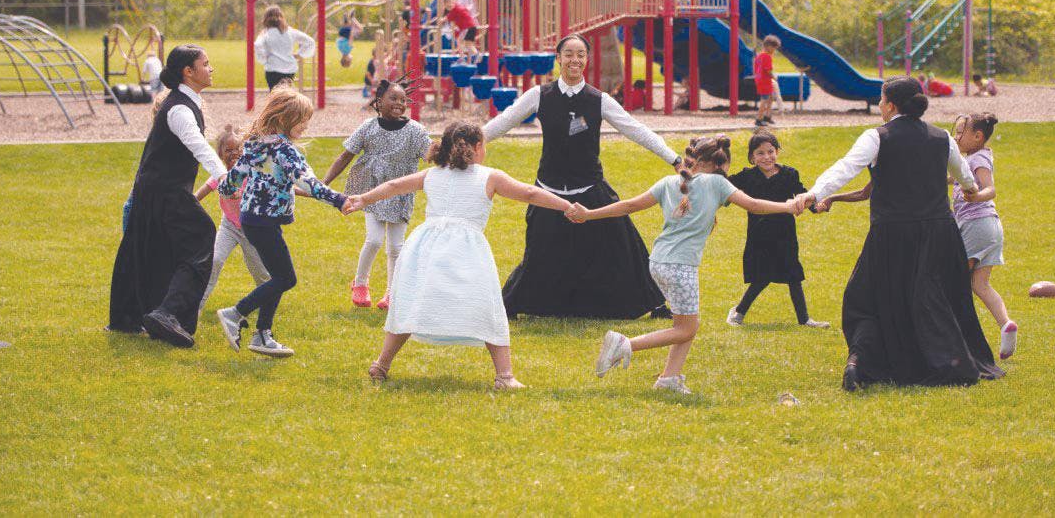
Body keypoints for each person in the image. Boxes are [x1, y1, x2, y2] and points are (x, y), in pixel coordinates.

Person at [793, 76, 1004, 390]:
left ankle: (862, 361)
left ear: (890, 105)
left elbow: (846, 167)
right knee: (934, 300)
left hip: (893, 235)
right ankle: (949, 362)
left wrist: (813, 193)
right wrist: (973, 190)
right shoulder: (942, 137)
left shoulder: (877, 136)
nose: (879, 106)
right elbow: (965, 177)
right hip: (939, 234)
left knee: (865, 299)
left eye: (881, 100)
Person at [344, 121, 576, 390]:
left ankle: (381, 365)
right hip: (465, 248)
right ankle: (504, 376)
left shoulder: (433, 174)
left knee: (410, 303)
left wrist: (364, 199)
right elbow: (529, 192)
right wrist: (566, 205)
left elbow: (394, 185)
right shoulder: (490, 177)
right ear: (478, 147)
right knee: (489, 307)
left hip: (424, 245)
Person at [571, 136, 802, 395]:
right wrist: (788, 206)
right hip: (680, 267)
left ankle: (669, 379)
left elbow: (629, 206)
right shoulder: (717, 182)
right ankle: (624, 344)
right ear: (720, 164)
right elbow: (755, 206)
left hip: (658, 262)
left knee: (684, 324)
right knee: (687, 327)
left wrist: (589, 214)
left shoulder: (669, 182)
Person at [482, 33, 683, 320]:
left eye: (580, 55)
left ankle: (655, 304)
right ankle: (511, 306)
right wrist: (464, 143)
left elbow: (635, 129)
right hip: (548, 191)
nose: (574, 60)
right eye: (568, 54)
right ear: (558, 58)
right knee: (539, 253)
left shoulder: (599, 100)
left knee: (624, 246)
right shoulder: (539, 95)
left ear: (586, 60)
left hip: (590, 187)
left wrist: (673, 158)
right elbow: (502, 123)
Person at [108, 45, 229, 347]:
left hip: (154, 188)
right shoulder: (178, 108)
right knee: (201, 237)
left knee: (145, 248)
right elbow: (198, 145)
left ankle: (128, 319)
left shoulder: (184, 103)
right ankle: (167, 313)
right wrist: (223, 175)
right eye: (206, 63)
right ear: (188, 72)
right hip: (165, 190)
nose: (211, 69)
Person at [215, 88, 350, 357]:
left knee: (277, 276)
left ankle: (262, 335)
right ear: (287, 119)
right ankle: (235, 313)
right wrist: (339, 200)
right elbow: (308, 183)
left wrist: (227, 188)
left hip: (254, 219)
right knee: (286, 278)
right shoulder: (285, 151)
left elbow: (232, 178)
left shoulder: (257, 145)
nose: (305, 125)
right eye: (302, 120)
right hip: (263, 221)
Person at [322, 78, 432, 310]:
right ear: (378, 101)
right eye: (393, 98)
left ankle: (392, 293)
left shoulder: (416, 131)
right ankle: (360, 284)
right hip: (370, 191)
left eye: (403, 100)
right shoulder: (368, 127)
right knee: (373, 240)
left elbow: (431, 155)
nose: (399, 103)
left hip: (400, 193)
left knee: (396, 247)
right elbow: (344, 156)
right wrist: (322, 184)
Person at [725, 131, 828, 329]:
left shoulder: (790, 174)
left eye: (770, 151)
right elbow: (723, 189)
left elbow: (802, 195)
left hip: (785, 235)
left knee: (793, 275)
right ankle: (738, 312)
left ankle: (804, 319)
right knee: (761, 277)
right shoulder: (747, 177)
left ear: (777, 151)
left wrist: (816, 207)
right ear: (752, 157)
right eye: (760, 153)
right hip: (759, 235)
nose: (766, 157)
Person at [952, 112, 1017, 359]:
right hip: (990, 228)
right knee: (980, 284)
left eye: (960, 133)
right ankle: (1006, 324)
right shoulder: (973, 158)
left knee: (955, 281)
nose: (956, 137)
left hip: (975, 224)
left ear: (978, 136)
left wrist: (976, 195)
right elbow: (954, 178)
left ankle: (957, 337)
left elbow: (990, 189)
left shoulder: (978, 158)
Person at [194, 124, 271, 310]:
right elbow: (201, 193)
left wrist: (241, 194)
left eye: (238, 149)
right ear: (219, 154)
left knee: (260, 271)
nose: (234, 153)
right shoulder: (220, 175)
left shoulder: (251, 171)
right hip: (229, 226)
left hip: (252, 229)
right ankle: (196, 304)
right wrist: (187, 203)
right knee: (215, 260)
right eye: (228, 150)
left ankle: (268, 298)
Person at [254, 5, 315, 90]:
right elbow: (310, 42)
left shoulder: (266, 33)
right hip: (290, 69)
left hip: (273, 69)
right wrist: (300, 54)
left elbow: (257, 45)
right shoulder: (290, 31)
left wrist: (263, 59)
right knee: (286, 94)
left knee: (275, 95)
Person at [754, 35, 778, 127]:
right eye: (774, 48)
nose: (774, 50)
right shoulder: (767, 57)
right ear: (768, 46)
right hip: (765, 81)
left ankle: (767, 116)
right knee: (764, 100)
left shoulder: (759, 56)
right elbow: (768, 70)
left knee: (771, 97)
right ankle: (759, 119)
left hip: (760, 80)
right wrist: (773, 77)